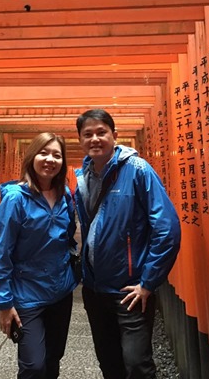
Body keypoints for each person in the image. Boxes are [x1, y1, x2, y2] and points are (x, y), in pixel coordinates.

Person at [74, 109, 181, 379]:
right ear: (80, 140)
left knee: (136, 364)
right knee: (109, 363)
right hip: (95, 290)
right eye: (88, 134)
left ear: (115, 135)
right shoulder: (83, 177)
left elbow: (167, 228)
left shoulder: (138, 170)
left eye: (101, 132)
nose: (95, 139)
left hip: (129, 290)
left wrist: (148, 282)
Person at [0, 132, 79, 379]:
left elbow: (68, 236)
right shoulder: (16, 199)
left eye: (57, 155)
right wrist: (4, 304)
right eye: (44, 153)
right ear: (32, 157)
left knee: (53, 358)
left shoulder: (65, 195)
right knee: (33, 365)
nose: (50, 159)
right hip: (27, 294)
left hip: (61, 290)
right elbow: (0, 252)